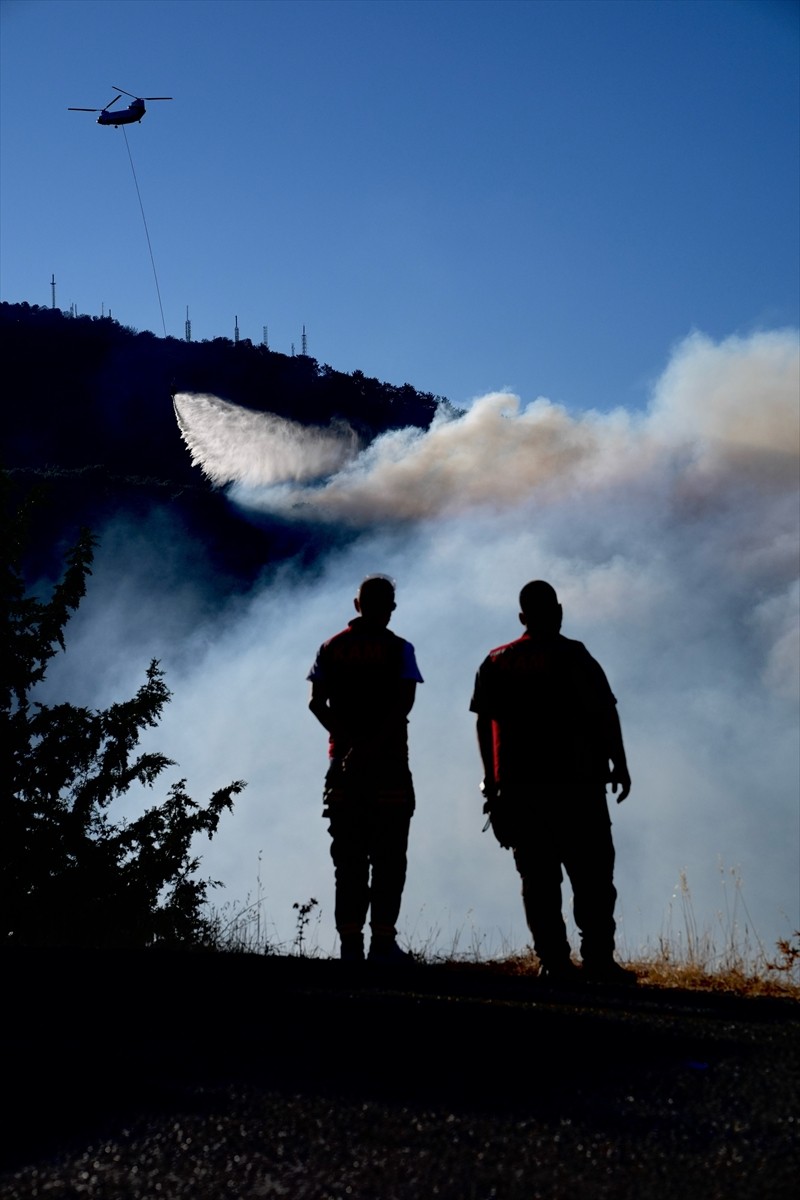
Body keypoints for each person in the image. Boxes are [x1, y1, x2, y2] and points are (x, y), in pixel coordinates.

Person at [470, 580, 635, 983]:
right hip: (578, 783)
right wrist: (620, 764)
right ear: (558, 611)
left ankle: (553, 962)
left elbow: (483, 722)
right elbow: (604, 713)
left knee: (538, 878)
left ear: (522, 617)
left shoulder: (497, 660)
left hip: (521, 788)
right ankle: (598, 960)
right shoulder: (575, 656)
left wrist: (492, 781)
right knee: (593, 875)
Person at [307, 574, 423, 964]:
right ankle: (383, 944)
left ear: (356, 606)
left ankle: (351, 946)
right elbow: (404, 705)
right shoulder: (400, 649)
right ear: (389, 607)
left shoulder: (330, 648)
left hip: (342, 767)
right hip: (389, 766)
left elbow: (315, 704)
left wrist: (351, 744)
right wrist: (373, 745)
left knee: (349, 859)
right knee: (390, 857)